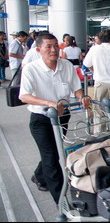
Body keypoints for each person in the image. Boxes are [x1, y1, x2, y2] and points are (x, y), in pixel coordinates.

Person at [18, 33, 90, 204]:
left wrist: (82, 97)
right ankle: (61, 202)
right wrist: (49, 103)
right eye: (48, 47)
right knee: (51, 158)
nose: (53, 50)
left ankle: (38, 176)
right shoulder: (31, 69)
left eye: (56, 46)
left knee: (54, 151)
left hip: (63, 117)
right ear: (38, 50)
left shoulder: (66, 66)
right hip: (41, 119)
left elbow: (76, 88)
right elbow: (24, 96)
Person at [83, 29, 110, 135]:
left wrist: (94, 70)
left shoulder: (94, 49)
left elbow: (86, 63)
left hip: (100, 83)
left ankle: (99, 134)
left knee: (98, 111)